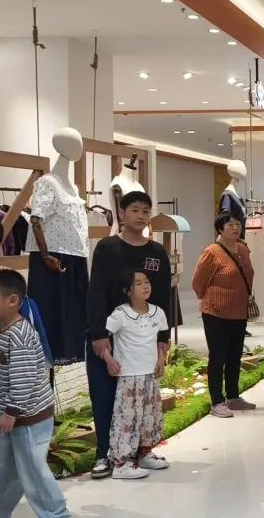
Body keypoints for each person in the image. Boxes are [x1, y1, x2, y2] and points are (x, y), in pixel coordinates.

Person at [86, 191, 172, 480]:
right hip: (110, 335)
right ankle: (104, 454)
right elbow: (97, 291)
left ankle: (141, 452)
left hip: (143, 339)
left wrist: (163, 339)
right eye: (134, 210)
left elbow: (162, 296)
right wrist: (98, 334)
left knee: (143, 398)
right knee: (105, 394)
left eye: (146, 211)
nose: (141, 216)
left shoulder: (157, 252)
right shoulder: (107, 248)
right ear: (121, 214)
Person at [0, 269, 70, 517]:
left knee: (33, 473)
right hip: (16, 417)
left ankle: (56, 513)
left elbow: (23, 380)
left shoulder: (20, 336)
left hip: (29, 418)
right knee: (6, 470)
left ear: (12, 301)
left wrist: (11, 412)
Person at [104, 269, 170, 479]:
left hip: (150, 375)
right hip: (129, 377)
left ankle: (144, 453)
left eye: (147, 281)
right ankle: (121, 463)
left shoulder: (158, 312)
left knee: (149, 416)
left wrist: (161, 359)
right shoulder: (120, 314)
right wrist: (108, 359)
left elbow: (162, 339)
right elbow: (101, 337)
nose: (145, 286)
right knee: (127, 418)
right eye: (139, 283)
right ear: (127, 290)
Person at [192, 213, 258, 418]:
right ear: (220, 228)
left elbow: (248, 275)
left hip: (239, 311)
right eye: (230, 224)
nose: (235, 228)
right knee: (218, 356)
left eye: (238, 224)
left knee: (234, 355)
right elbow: (198, 282)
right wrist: (210, 300)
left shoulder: (243, 249)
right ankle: (217, 401)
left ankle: (233, 396)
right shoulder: (212, 252)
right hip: (216, 312)